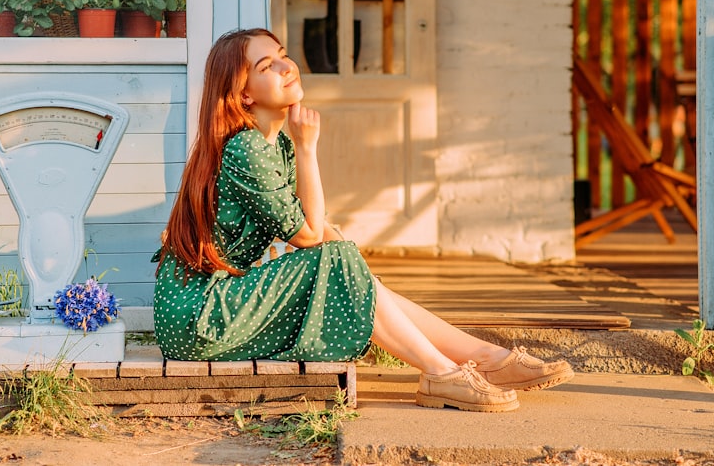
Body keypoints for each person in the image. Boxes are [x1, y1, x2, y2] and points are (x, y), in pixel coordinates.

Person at [153, 28, 574, 413]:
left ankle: (483, 359)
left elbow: (320, 233)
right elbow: (309, 235)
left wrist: (356, 270)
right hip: (200, 317)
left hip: (225, 304)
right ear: (243, 95)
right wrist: (308, 147)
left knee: (347, 263)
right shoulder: (248, 148)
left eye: (282, 55)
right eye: (267, 66)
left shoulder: (273, 145)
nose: (286, 66)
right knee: (338, 259)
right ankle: (440, 372)